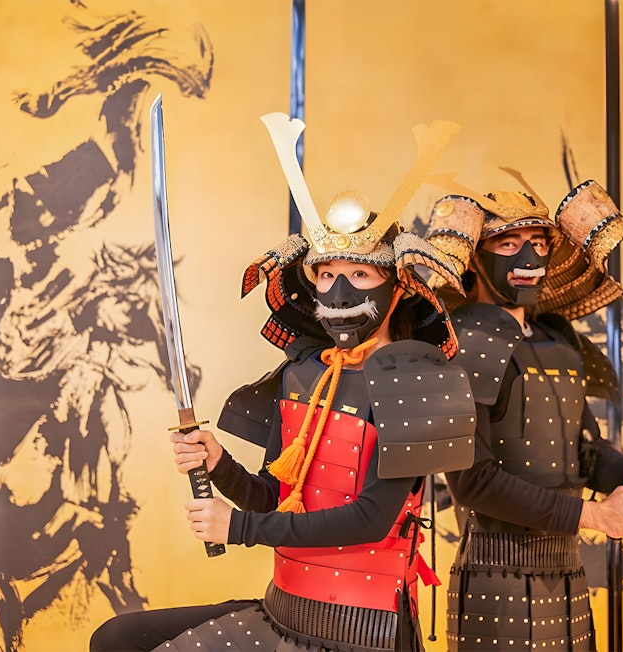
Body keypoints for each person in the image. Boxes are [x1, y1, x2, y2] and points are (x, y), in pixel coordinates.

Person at [90, 116, 476, 651]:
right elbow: (276, 497)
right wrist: (217, 464)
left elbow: (370, 519)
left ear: (397, 286)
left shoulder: (415, 381)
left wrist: (239, 529)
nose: (338, 290)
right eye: (325, 274)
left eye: (359, 275)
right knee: (119, 639)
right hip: (284, 612)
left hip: (361, 634)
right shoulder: (302, 373)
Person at [424, 176, 623, 651]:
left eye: (538, 243)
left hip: (567, 571)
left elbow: (584, 456)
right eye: (508, 242)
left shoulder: (558, 339)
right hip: (493, 578)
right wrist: (595, 516)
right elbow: (472, 482)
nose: (528, 257)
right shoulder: (459, 343)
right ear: (476, 259)